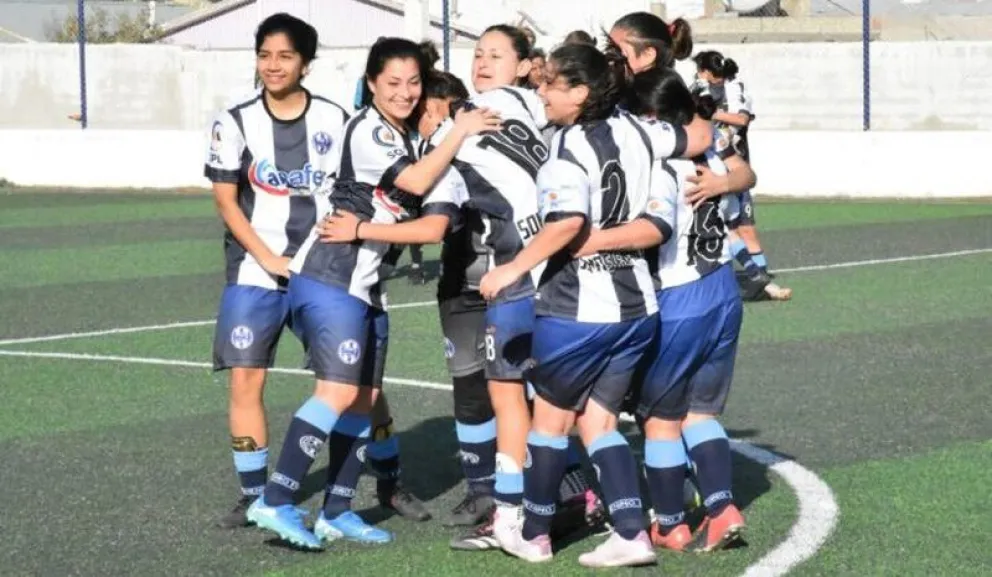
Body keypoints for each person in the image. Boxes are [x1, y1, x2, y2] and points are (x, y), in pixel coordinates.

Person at [318, 25, 607, 550]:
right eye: (477, 53)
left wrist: (362, 225)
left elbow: (424, 203)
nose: (482, 61)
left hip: (514, 273)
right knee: (545, 394)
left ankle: (518, 511)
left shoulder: (453, 137)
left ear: (524, 66)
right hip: (546, 266)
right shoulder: (530, 103)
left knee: (514, 395)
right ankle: (579, 496)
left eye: (495, 54)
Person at [244, 37, 499, 550]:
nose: (405, 93)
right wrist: (460, 130)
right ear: (371, 84)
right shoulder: (367, 130)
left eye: (413, 83)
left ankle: (336, 511)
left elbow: (426, 208)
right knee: (338, 394)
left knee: (363, 401)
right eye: (393, 83)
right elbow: (417, 179)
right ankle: (274, 499)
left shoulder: (403, 135)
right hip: (329, 276)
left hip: (365, 286)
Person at [481, 43, 704, 569]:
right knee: (599, 425)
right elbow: (697, 141)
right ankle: (632, 534)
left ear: (580, 93)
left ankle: (532, 535)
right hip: (637, 310)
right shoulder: (640, 132)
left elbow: (565, 225)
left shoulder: (565, 149)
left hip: (576, 312)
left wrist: (512, 268)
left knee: (547, 426)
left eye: (550, 84)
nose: (541, 92)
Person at [205, 12, 356, 530]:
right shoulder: (234, 120)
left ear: (305, 64)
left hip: (323, 269)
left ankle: (373, 485)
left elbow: (353, 191)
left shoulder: (336, 120)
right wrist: (267, 258)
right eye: (265, 55)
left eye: (285, 56)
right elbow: (226, 200)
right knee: (246, 379)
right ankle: (253, 496)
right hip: (255, 268)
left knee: (353, 380)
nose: (273, 65)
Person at [592, 66, 752, 552]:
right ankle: (722, 509)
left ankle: (670, 522)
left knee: (661, 419)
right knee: (700, 414)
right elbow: (743, 175)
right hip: (723, 288)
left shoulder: (655, 164)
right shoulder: (707, 156)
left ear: (650, 117)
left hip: (680, 296)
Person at [693, 50, 791, 301]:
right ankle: (761, 281)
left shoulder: (735, 88)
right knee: (730, 228)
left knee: (742, 228)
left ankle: (760, 278)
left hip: (733, 167)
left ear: (707, 70)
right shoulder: (695, 88)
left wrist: (711, 114)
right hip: (715, 165)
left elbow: (741, 119)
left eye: (700, 70)